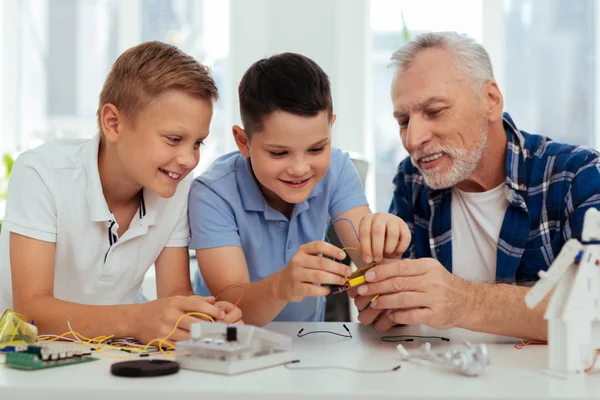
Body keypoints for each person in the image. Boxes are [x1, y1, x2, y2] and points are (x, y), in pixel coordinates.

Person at [351, 31, 600, 340]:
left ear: (491, 101)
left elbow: (595, 310)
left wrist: (464, 301)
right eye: (403, 121)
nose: (413, 140)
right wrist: (387, 295)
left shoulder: (578, 174)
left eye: (434, 111)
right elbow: (399, 322)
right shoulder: (413, 179)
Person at [0, 41, 242, 344]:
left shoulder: (176, 191)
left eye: (197, 143)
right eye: (174, 138)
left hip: (114, 356)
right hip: (24, 360)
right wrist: (138, 318)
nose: (190, 160)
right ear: (113, 123)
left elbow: (175, 292)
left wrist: (202, 314)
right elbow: (30, 311)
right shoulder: (42, 173)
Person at [188, 52, 410, 326]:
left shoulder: (337, 169)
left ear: (331, 129)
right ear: (243, 141)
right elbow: (232, 312)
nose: (300, 168)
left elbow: (370, 266)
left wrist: (386, 249)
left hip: (307, 346)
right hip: (228, 352)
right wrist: (281, 286)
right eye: (279, 153)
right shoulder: (212, 194)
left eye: (317, 148)